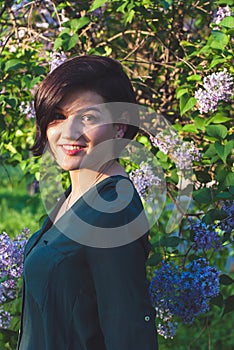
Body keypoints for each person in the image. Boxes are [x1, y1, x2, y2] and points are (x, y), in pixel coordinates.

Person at [17, 55, 158, 350]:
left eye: (89, 118)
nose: (69, 132)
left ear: (120, 128)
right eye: (58, 116)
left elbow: (129, 334)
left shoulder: (112, 213)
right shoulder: (76, 198)